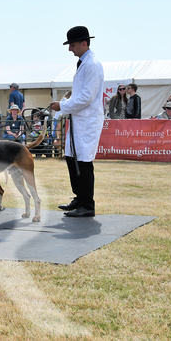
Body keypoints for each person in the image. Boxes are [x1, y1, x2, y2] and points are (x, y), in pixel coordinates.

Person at [50, 26, 104, 218]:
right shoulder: (84, 63)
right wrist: (64, 105)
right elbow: (81, 95)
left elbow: (87, 98)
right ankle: (79, 198)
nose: (70, 49)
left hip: (87, 121)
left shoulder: (92, 64)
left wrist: (62, 106)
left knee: (84, 161)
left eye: (72, 45)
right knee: (72, 158)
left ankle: (87, 204)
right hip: (79, 119)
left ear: (84, 43)